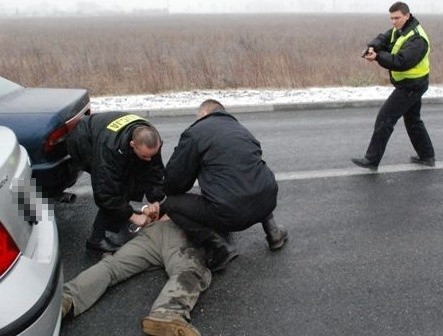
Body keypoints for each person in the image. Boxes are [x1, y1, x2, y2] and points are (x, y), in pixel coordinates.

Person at [145, 99, 288, 272]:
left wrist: (160, 195)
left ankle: (218, 247)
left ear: (204, 113)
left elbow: (175, 182)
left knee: (171, 203)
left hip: (232, 214)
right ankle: (274, 233)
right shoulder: (240, 129)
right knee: (251, 180)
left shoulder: (195, 133)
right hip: (268, 199)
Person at [61, 212, 211, 336]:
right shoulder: (217, 198)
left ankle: (66, 297)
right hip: (179, 232)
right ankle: (168, 311)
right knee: (189, 270)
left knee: (112, 266)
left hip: (153, 230)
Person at [352, 1, 435, 170]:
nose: (393, 22)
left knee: (385, 118)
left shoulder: (417, 38)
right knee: (413, 120)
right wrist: (372, 47)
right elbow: (383, 37)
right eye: (391, 18)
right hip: (411, 83)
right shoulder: (400, 30)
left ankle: (371, 160)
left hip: (412, 85)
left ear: (407, 15)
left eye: (397, 18)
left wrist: (377, 56)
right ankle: (427, 156)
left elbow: (401, 62)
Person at [67, 111, 165, 252]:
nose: (149, 159)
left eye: (151, 155)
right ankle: (96, 240)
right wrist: (133, 217)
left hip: (109, 136)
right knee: (115, 188)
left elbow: (154, 170)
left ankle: (122, 216)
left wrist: (155, 200)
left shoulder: (152, 140)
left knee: (134, 178)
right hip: (84, 141)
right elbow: (105, 194)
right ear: (132, 144)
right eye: (144, 156)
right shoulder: (109, 149)